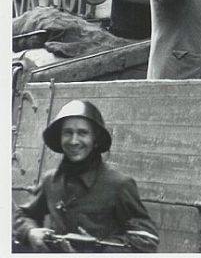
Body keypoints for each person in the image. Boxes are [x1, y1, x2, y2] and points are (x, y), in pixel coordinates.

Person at [13, 100, 158, 252]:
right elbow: (24, 214)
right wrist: (31, 232)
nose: (74, 141)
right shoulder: (50, 181)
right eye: (68, 133)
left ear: (95, 139)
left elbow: (147, 238)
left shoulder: (119, 184)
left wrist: (98, 248)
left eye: (83, 133)